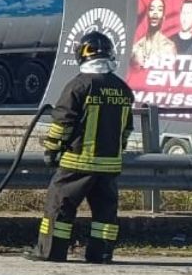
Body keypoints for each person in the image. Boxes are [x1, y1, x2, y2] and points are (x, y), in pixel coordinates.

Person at [30, 31, 135, 263]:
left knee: (60, 207)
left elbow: (63, 122)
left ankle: (51, 252)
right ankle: (102, 253)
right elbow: (126, 129)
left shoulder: (78, 86)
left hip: (77, 163)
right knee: (105, 213)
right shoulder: (122, 88)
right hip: (109, 166)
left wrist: (51, 149)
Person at [131, 0, 174, 68]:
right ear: (147, 15)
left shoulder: (169, 47)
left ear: (164, 17)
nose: (155, 13)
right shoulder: (136, 47)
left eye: (159, 10)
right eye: (152, 9)